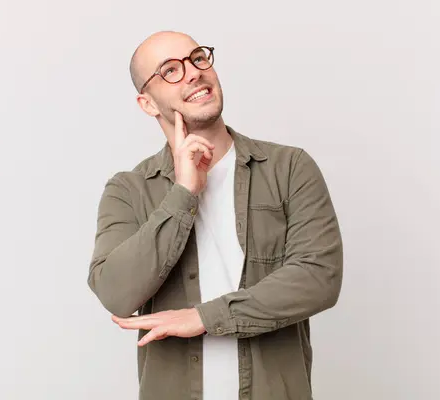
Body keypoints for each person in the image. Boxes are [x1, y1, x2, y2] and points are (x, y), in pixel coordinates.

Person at [87, 31, 343, 400]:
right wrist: (183, 193)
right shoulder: (129, 189)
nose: (192, 73)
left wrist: (205, 318)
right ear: (147, 103)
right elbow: (115, 292)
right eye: (170, 70)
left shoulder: (289, 168)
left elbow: (319, 277)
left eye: (197, 58)